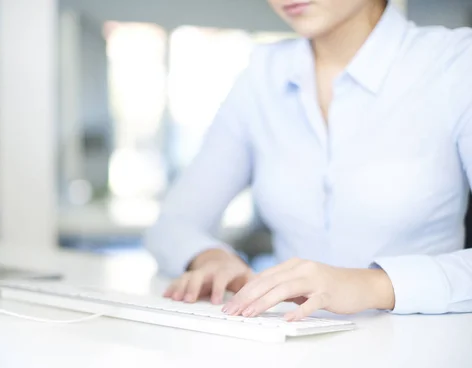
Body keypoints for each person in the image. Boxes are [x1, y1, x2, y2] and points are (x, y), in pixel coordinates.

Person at [144, 0, 472, 321]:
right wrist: (209, 257)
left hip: (424, 350)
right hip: (291, 344)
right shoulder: (261, 77)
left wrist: (373, 285)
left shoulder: (456, 63)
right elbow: (172, 224)